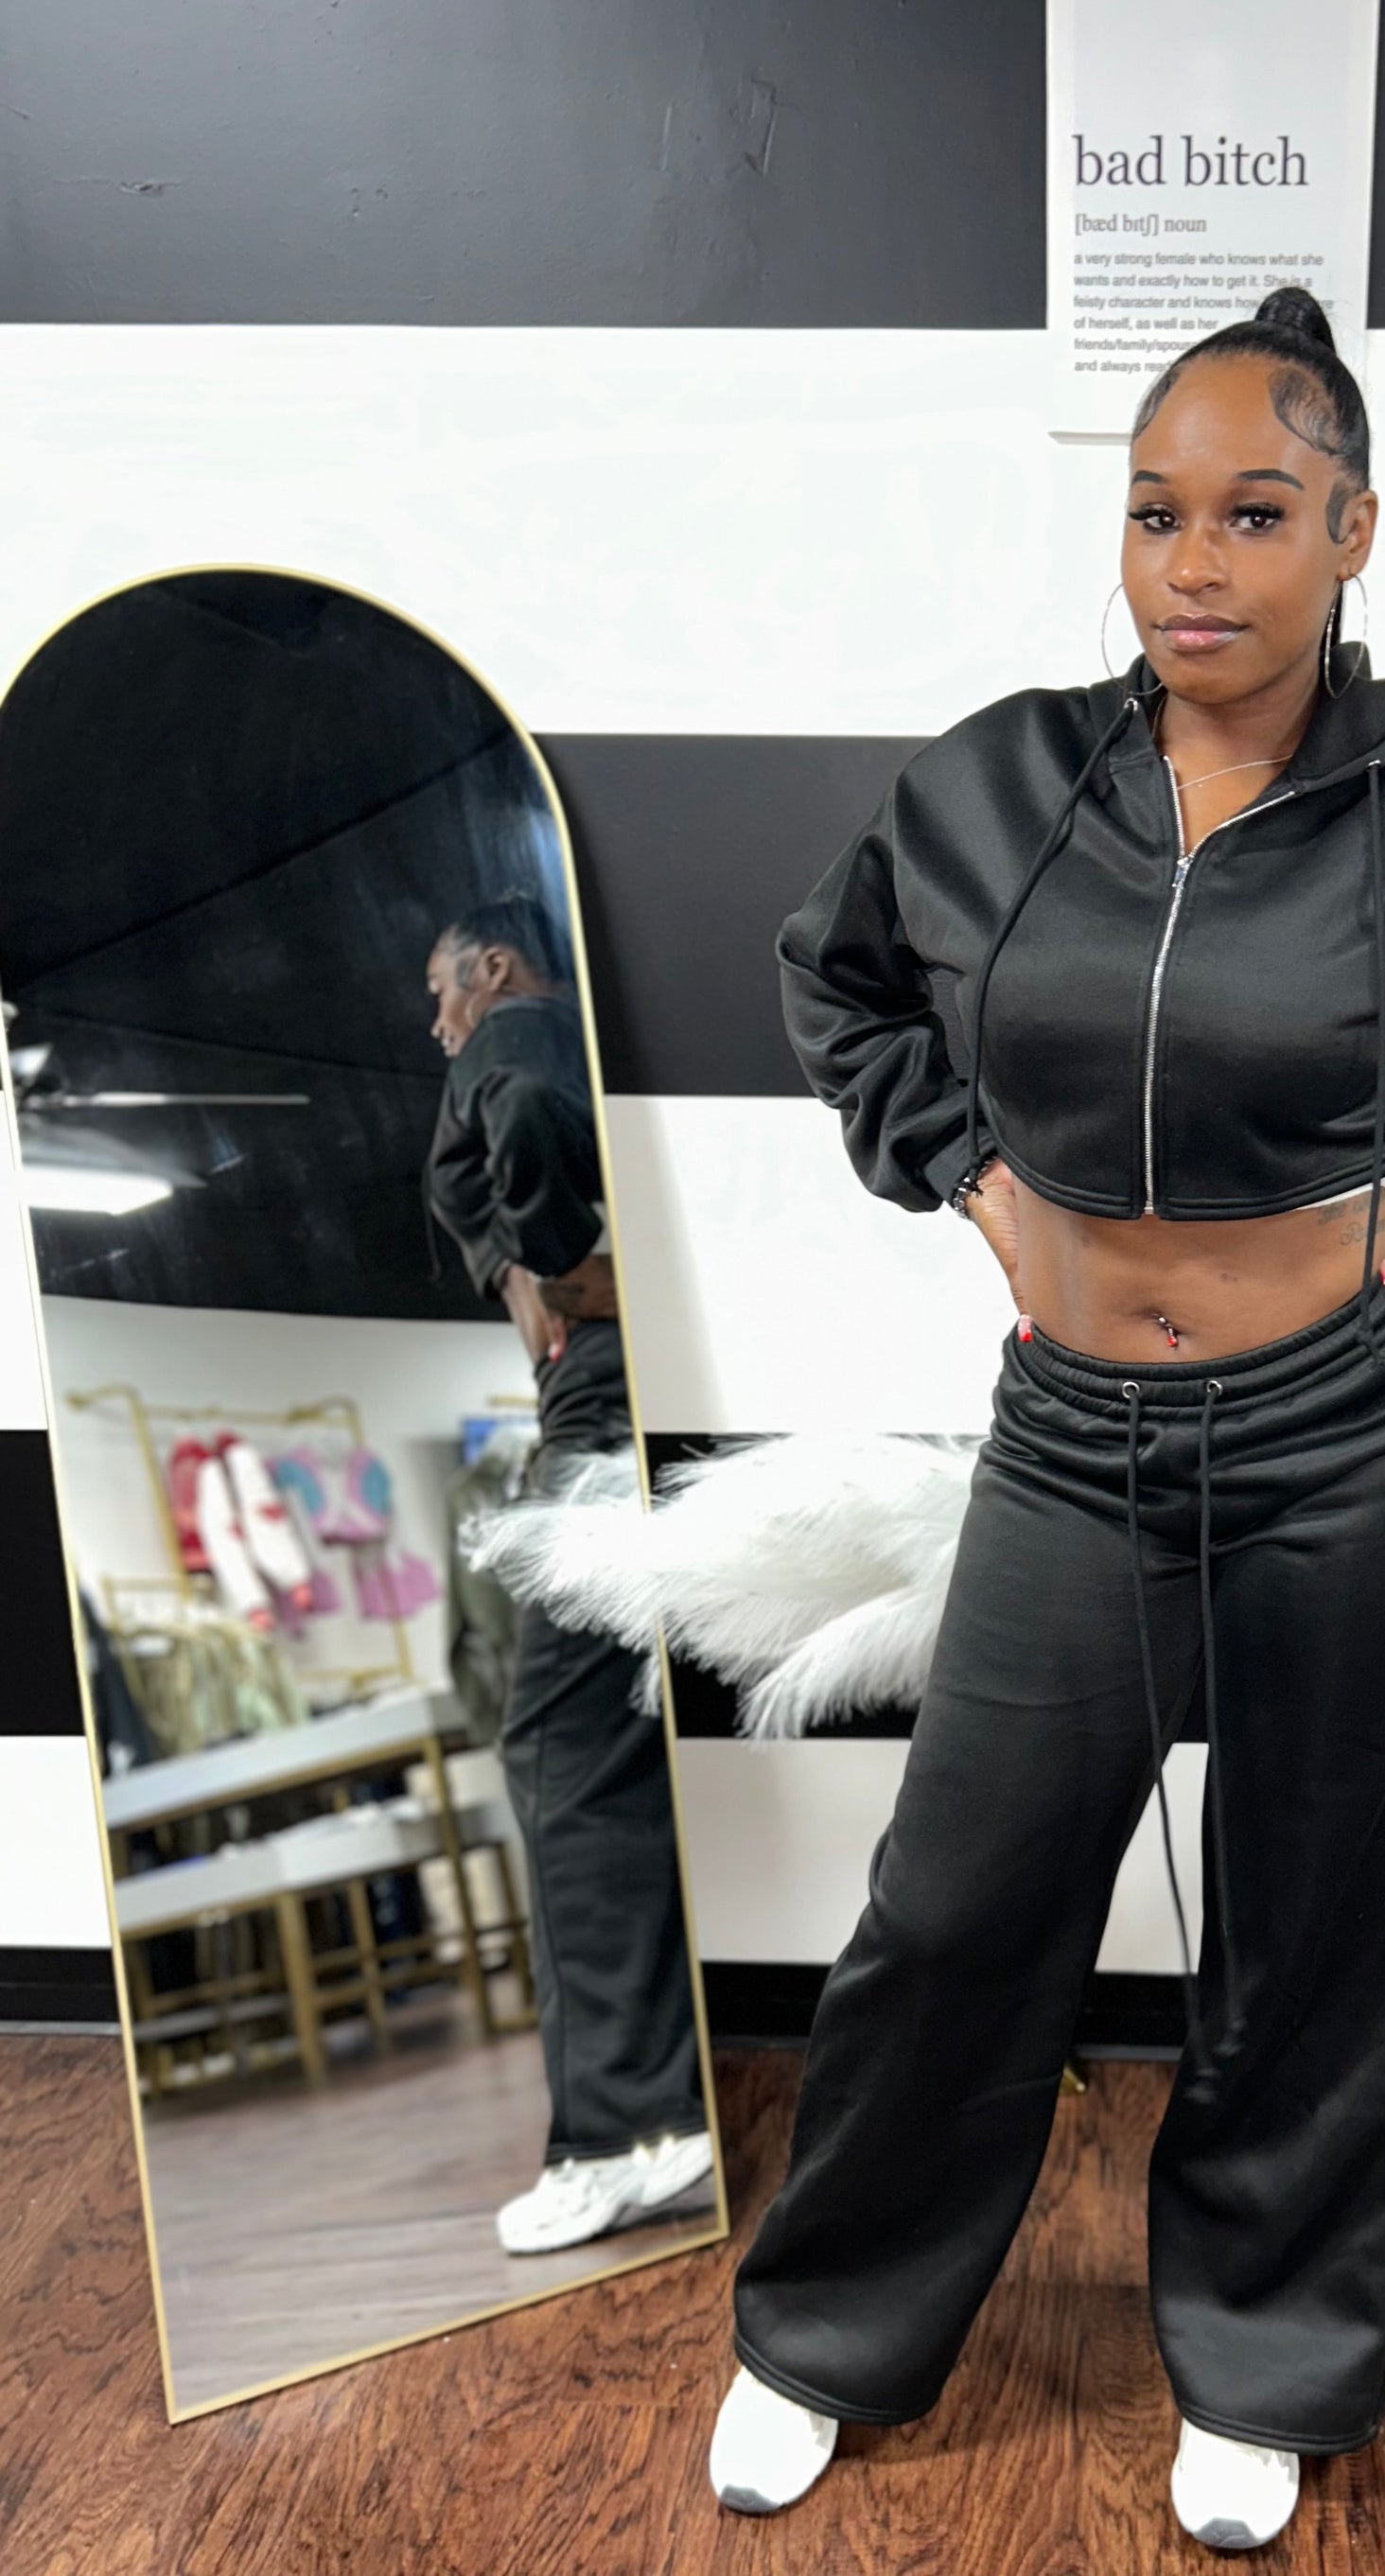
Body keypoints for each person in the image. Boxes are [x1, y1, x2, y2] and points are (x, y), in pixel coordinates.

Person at [705, 291, 1385, 2549]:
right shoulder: (1001, 784)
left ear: (1351, 533)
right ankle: (824, 2334)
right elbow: (836, 972)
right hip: (1070, 1445)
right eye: (1155, 514)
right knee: (959, 1904)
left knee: (1325, 1918)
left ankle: (1266, 2359)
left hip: (1352, 1438)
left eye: (1252, 514)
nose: (1194, 563)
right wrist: (972, 1177)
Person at [423, 893, 711, 2251]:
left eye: (441, 996)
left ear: (491, 968)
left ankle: (628, 2130)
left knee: (558, 1749)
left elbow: (524, 1102)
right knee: (605, 1748)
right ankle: (649, 2106)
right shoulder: (579, 1055)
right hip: (623, 1399)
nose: (439, 1028)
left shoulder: (518, 1027)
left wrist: (551, 1260)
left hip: (601, 1413)